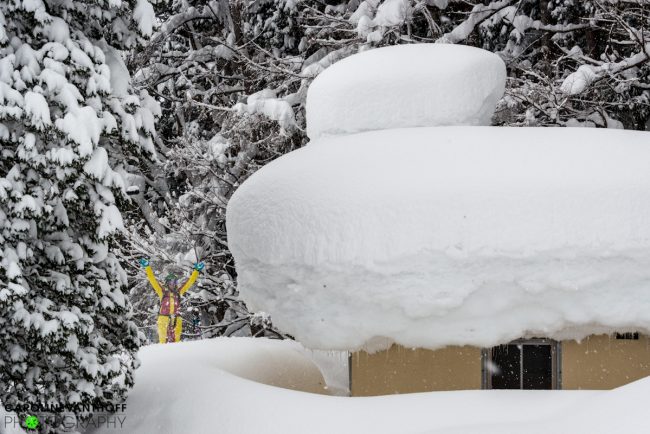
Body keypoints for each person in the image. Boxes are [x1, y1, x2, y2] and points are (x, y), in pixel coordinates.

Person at [139, 258, 205, 343]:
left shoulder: (178, 292)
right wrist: (147, 267)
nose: (172, 284)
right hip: (163, 319)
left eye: (174, 282)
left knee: (176, 343)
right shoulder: (162, 292)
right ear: (167, 283)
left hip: (176, 320)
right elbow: (153, 280)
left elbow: (189, 282)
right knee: (163, 342)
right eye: (171, 282)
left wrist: (196, 271)